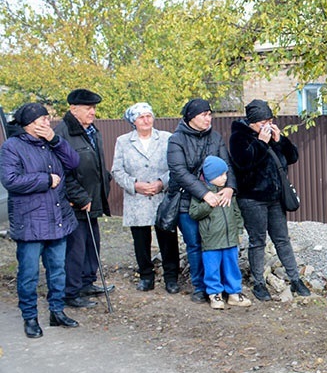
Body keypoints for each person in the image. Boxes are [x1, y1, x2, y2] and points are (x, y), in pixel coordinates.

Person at [1, 102, 81, 337]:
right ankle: (30, 317)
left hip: (57, 218)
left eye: (47, 118)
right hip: (30, 221)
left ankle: (57, 311)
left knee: (57, 270)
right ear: (29, 123)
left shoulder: (52, 142)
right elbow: (10, 180)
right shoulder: (12, 146)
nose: (48, 122)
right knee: (29, 274)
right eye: (43, 118)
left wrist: (56, 140)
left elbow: (74, 162)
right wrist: (45, 180)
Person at [229, 99, 310, 301]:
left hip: (275, 198)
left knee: (282, 239)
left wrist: (280, 140)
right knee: (257, 241)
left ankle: (295, 279)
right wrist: (261, 143)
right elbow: (243, 163)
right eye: (263, 122)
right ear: (252, 123)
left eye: (270, 121)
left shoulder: (272, 135)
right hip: (252, 198)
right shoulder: (239, 136)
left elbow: (292, 157)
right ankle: (259, 282)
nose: (268, 125)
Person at [167, 98, 236, 303]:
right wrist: (204, 193)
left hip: (217, 201)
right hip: (187, 201)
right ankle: (200, 287)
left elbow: (227, 165)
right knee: (195, 245)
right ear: (191, 117)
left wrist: (230, 187)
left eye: (210, 114)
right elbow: (179, 171)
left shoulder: (215, 137)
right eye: (204, 115)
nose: (209, 118)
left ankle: (220, 287)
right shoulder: (176, 140)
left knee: (218, 244)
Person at [111, 102, 181, 293]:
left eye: (149, 116)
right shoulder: (123, 141)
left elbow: (175, 166)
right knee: (141, 241)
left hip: (162, 196)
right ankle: (146, 276)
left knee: (168, 238)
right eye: (141, 117)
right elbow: (117, 170)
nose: (146, 120)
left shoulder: (166, 138)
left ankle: (171, 278)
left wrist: (161, 183)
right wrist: (135, 185)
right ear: (133, 121)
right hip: (137, 199)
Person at [55, 88, 113, 309]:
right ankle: (71, 292)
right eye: (88, 108)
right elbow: (62, 171)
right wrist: (79, 196)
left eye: (94, 108)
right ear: (73, 109)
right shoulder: (63, 134)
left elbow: (96, 163)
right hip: (75, 202)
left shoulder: (92, 131)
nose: (93, 112)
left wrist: (105, 180)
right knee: (75, 249)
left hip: (93, 198)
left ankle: (87, 282)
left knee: (92, 244)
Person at [189, 156, 251, 309]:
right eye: (221, 175)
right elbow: (194, 213)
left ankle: (234, 293)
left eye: (226, 174)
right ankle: (214, 293)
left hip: (230, 239)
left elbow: (236, 213)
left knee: (232, 266)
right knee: (212, 268)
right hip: (211, 240)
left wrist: (239, 230)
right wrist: (209, 204)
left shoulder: (228, 192)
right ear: (210, 176)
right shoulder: (201, 194)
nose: (225, 178)